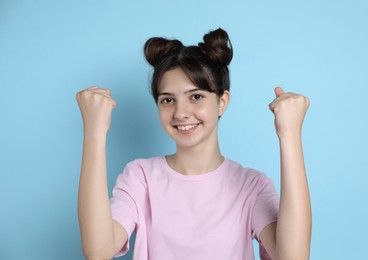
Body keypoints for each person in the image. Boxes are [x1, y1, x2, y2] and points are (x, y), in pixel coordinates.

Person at [76, 28, 312, 260]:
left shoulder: (251, 186)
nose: (180, 113)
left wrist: (289, 135)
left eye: (196, 96)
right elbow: (98, 250)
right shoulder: (140, 177)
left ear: (222, 102)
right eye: (167, 100)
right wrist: (95, 131)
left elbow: (293, 256)